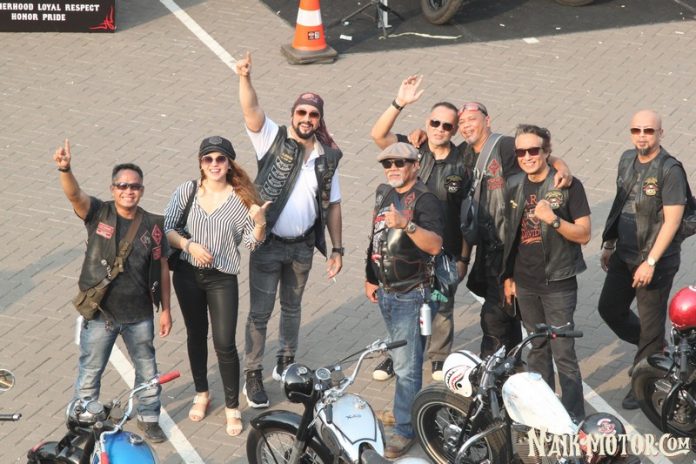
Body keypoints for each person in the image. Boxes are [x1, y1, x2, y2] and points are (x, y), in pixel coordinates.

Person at [236, 52, 344, 408]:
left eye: (313, 114)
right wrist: (245, 78)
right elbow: (251, 110)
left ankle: (285, 362)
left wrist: (337, 248)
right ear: (292, 115)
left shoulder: (328, 157)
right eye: (302, 112)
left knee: (293, 308)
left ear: (319, 120)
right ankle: (253, 372)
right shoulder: (273, 138)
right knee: (260, 313)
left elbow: (333, 204)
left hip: (301, 247)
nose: (307, 119)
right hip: (268, 244)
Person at [53, 139, 172, 443]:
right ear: (113, 188)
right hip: (101, 314)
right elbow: (74, 194)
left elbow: (162, 267)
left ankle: (149, 418)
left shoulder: (154, 225)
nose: (128, 190)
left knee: (147, 371)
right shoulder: (98, 213)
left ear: (142, 190)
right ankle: (82, 422)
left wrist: (166, 310)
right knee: (90, 371)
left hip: (140, 315)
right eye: (122, 185)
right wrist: (65, 169)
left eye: (134, 186)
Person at [164, 136, 269, 436]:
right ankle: (202, 393)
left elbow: (251, 243)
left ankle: (232, 407)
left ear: (229, 163)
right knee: (196, 335)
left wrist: (260, 223)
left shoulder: (242, 200)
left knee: (224, 343)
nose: (214, 164)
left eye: (220, 159)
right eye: (208, 159)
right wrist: (189, 245)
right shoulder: (187, 191)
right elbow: (168, 228)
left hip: (222, 278)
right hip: (187, 274)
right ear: (200, 163)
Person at [370, 75, 470, 382]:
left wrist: (464, 257)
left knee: (441, 305)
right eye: (435, 122)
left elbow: (468, 214)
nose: (439, 129)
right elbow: (378, 135)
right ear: (427, 122)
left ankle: (438, 357)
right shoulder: (411, 149)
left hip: (442, 248)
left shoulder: (463, 161)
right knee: (399, 306)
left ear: (454, 131)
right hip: (402, 250)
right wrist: (399, 103)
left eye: (447, 126)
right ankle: (396, 354)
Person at [456, 102, 573, 358]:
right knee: (506, 310)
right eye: (461, 122)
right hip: (486, 249)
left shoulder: (505, 146)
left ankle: (492, 365)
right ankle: (511, 362)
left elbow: (538, 155)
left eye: (472, 119)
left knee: (494, 316)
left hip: (508, 248)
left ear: (487, 121)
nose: (466, 126)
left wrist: (561, 165)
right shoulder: (463, 153)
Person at [598, 110, 687, 410]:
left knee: (650, 326)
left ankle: (643, 385)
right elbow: (620, 203)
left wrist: (650, 262)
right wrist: (609, 243)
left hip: (654, 262)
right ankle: (655, 351)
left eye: (649, 130)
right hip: (624, 254)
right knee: (609, 309)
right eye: (636, 130)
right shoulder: (627, 159)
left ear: (661, 133)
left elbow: (673, 221)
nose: (642, 136)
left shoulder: (670, 170)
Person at [501, 124, 591, 421]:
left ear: (546, 151)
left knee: (563, 354)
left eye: (533, 150)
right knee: (537, 349)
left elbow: (584, 234)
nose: (527, 157)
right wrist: (508, 277)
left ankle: (574, 418)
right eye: (521, 152)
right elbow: (510, 236)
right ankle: (544, 415)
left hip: (558, 283)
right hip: (525, 284)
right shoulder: (513, 184)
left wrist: (552, 220)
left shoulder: (568, 185)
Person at [365, 142, 444, 458]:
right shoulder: (384, 192)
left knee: (407, 366)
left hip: (412, 294)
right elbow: (375, 237)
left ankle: (406, 430)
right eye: (388, 164)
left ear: (415, 165)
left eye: (400, 163)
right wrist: (370, 276)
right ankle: (405, 412)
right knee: (401, 359)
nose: (393, 168)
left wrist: (407, 225)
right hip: (386, 291)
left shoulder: (426, 200)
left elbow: (435, 245)